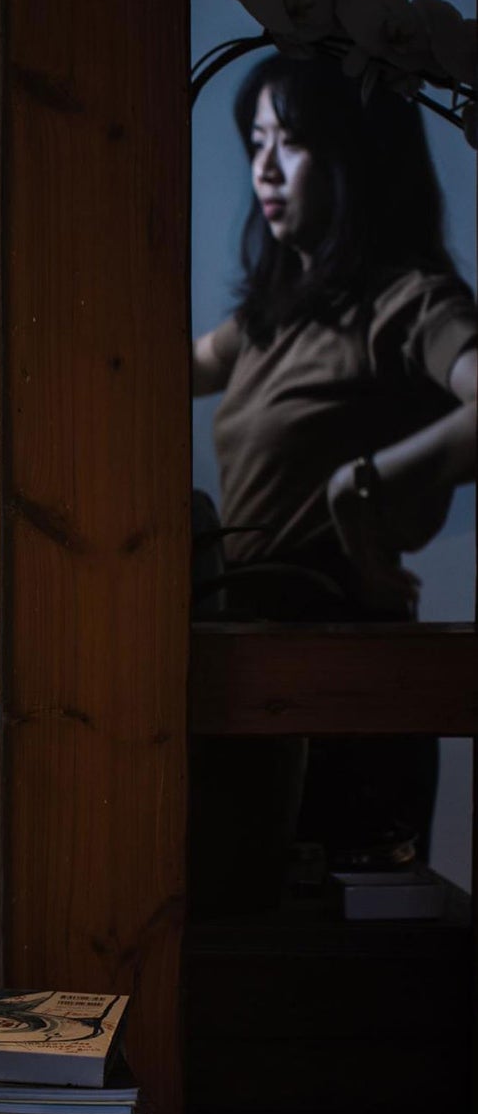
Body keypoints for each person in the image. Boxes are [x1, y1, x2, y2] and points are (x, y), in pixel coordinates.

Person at [191, 52, 477, 895]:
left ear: (354, 155)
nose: (264, 167)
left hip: (345, 692)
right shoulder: (266, 320)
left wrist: (367, 482)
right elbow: (134, 366)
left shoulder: (409, 302)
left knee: (343, 985)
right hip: (241, 690)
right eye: (255, 140)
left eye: (293, 140)